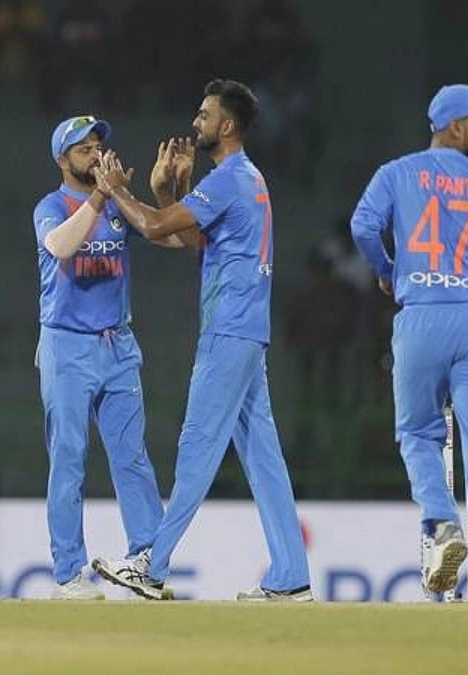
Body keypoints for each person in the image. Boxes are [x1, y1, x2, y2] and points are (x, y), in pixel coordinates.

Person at [89, 80, 312, 602]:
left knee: (197, 448)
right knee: (263, 457)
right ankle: (291, 575)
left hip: (229, 330)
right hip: (247, 330)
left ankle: (153, 565)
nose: (196, 122)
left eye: (205, 114)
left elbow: (152, 228)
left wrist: (115, 188)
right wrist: (171, 190)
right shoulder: (246, 178)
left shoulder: (230, 179)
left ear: (227, 126)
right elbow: (193, 240)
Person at [350, 84, 468, 605]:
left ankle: (444, 526)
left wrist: (387, 269)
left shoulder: (395, 173)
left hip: (420, 316)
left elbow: (362, 226)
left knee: (418, 434)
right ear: (454, 127)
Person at [34, 115, 189, 599]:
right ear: (62, 159)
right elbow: (60, 246)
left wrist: (168, 191)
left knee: (132, 457)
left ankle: (148, 561)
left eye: (98, 146)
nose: (96, 154)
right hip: (67, 346)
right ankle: (68, 573)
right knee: (68, 459)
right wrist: (103, 196)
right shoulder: (51, 206)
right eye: (84, 149)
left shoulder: (119, 202)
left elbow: (177, 238)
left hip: (117, 346)